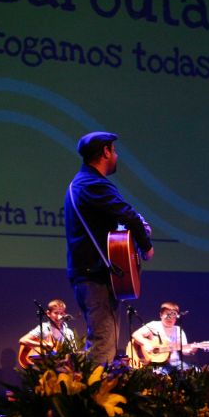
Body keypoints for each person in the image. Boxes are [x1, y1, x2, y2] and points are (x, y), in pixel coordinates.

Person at [64, 131, 154, 365]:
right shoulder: (94, 184)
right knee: (103, 347)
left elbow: (112, 223)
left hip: (89, 275)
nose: (116, 155)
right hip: (95, 277)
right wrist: (146, 246)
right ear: (105, 151)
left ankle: (76, 388)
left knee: (102, 344)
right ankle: (83, 397)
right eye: (114, 150)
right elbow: (128, 215)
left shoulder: (83, 183)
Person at [131, 302, 198, 372]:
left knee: (194, 372)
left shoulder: (179, 330)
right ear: (161, 315)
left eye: (173, 315)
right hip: (157, 364)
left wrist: (190, 351)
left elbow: (184, 349)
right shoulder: (154, 325)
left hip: (176, 363)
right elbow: (135, 334)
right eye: (167, 314)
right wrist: (145, 343)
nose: (170, 318)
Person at [18, 299, 77, 366]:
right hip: (46, 365)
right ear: (48, 313)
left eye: (61, 313)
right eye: (56, 313)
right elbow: (22, 340)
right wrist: (43, 345)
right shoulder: (44, 328)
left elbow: (73, 351)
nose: (59, 316)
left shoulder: (69, 332)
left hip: (63, 366)